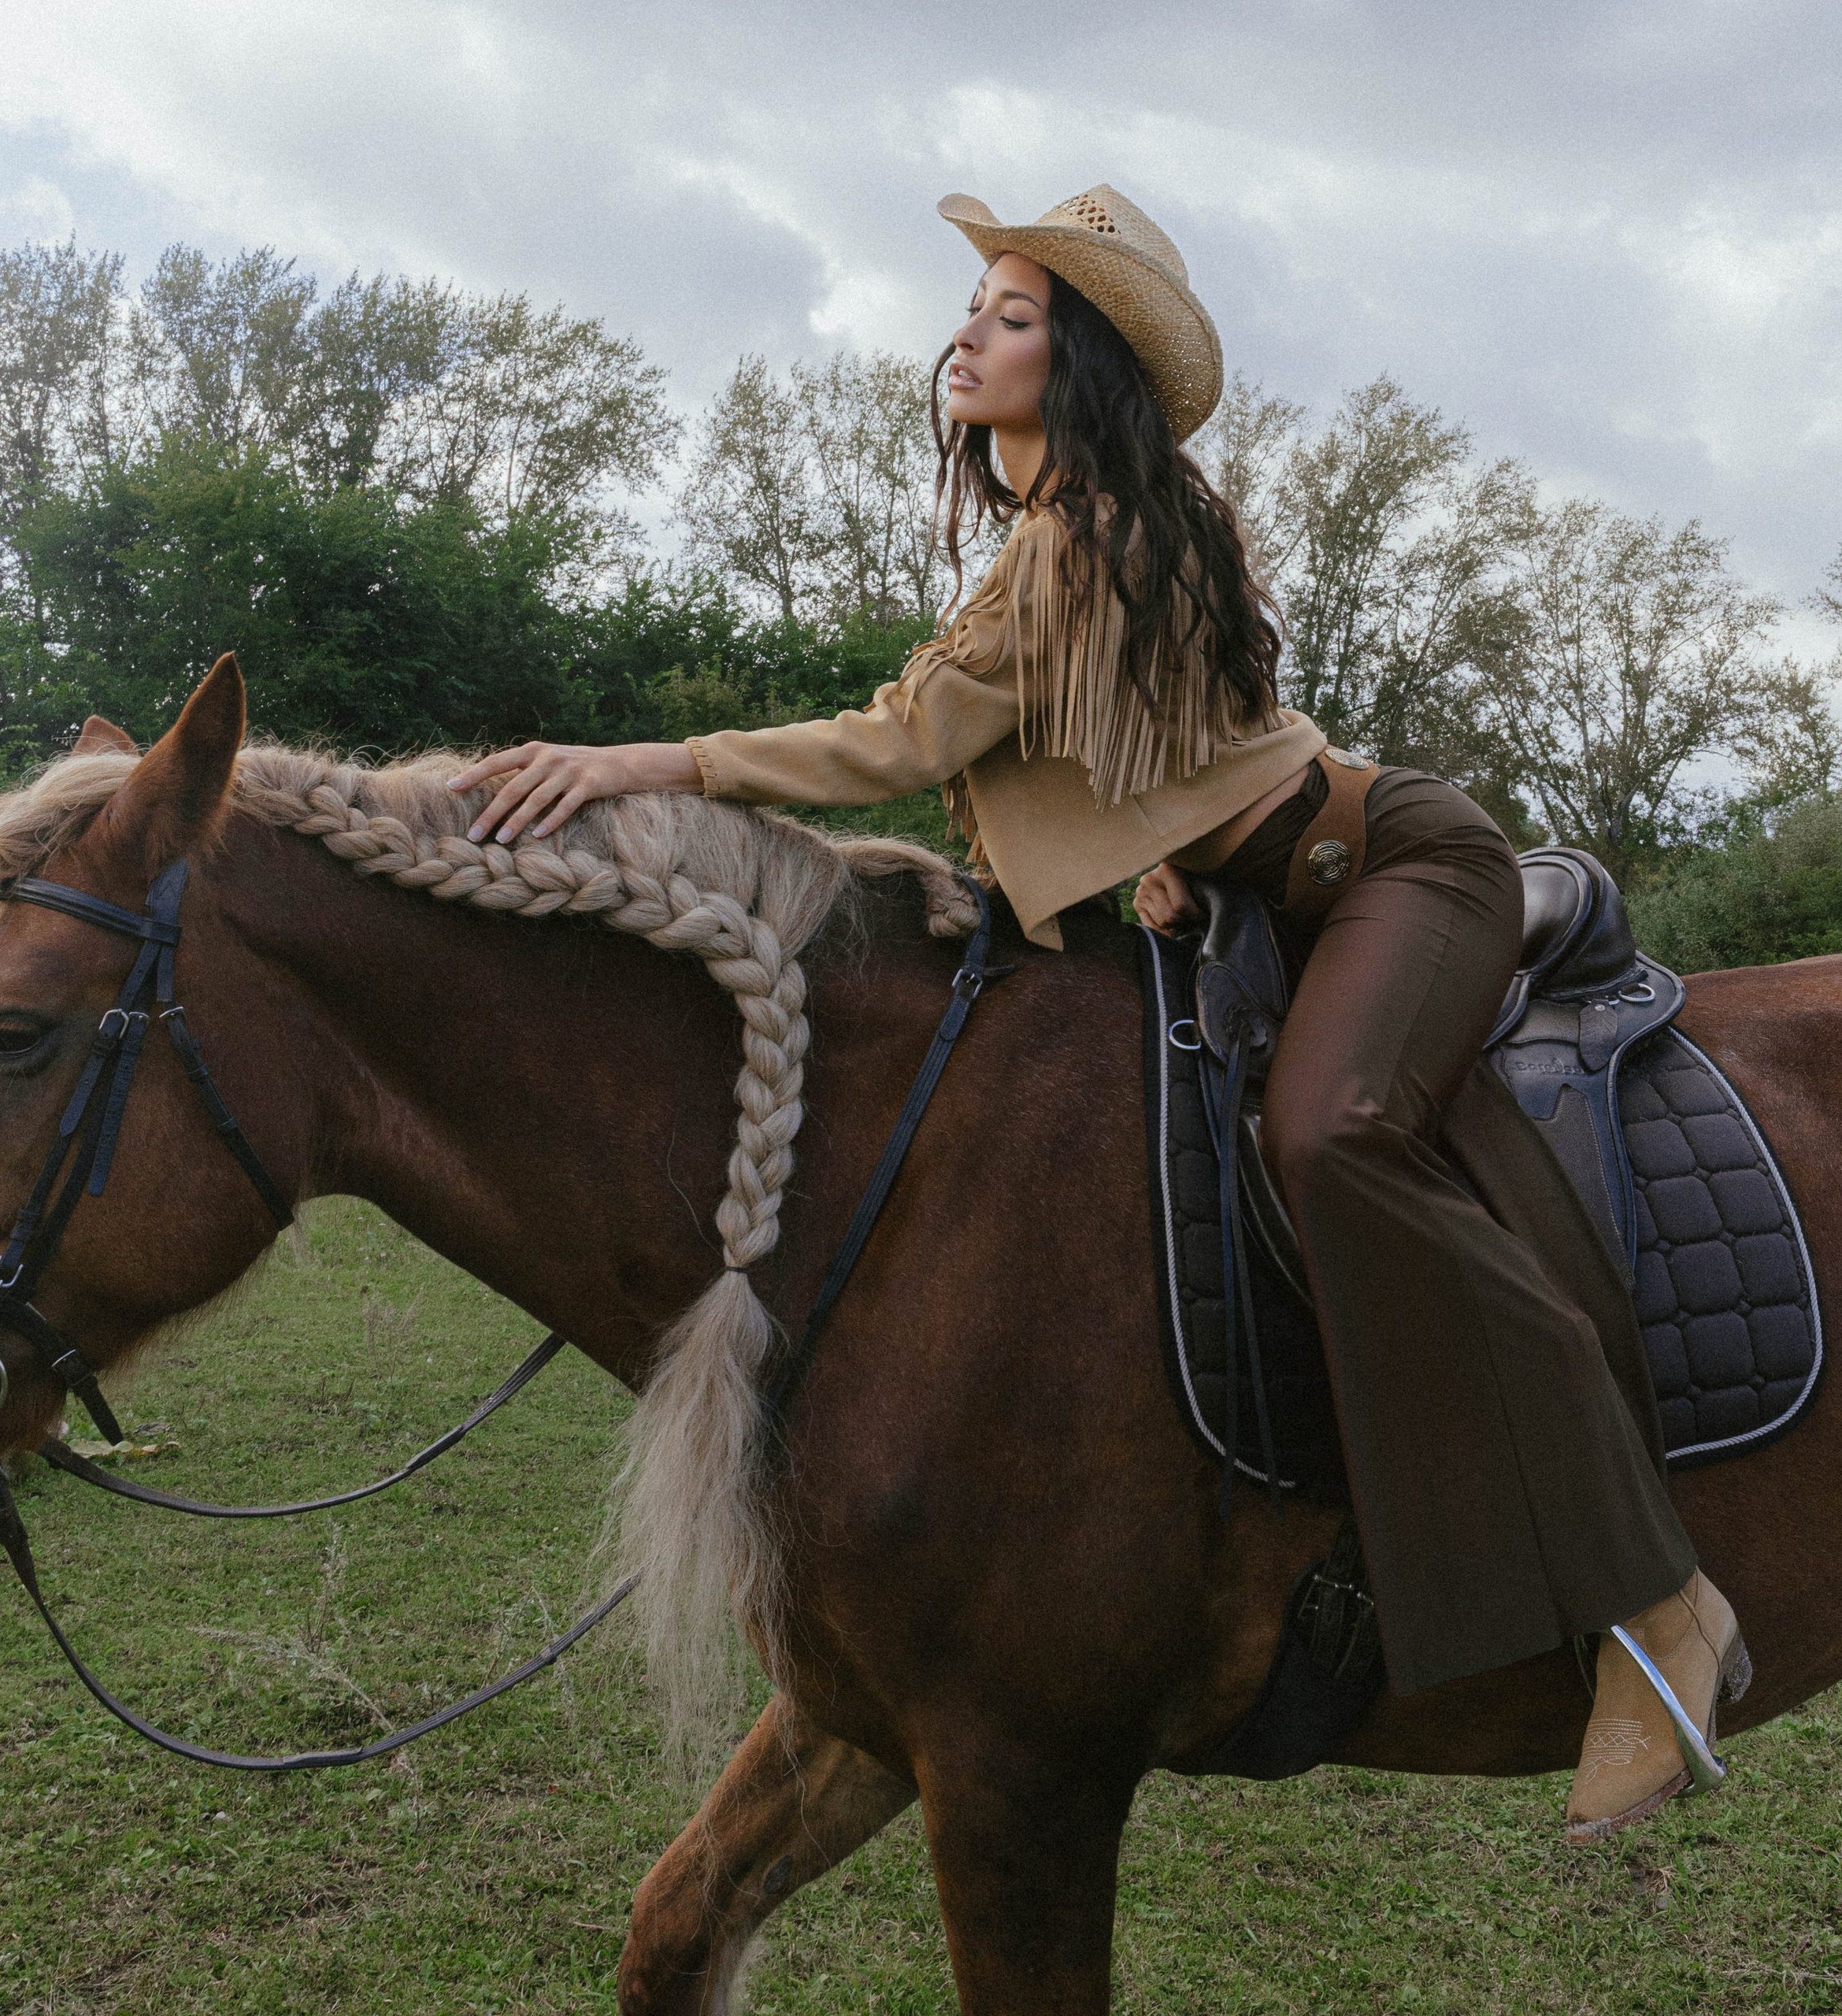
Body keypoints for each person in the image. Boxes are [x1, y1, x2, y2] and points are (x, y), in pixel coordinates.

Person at [447, 185, 1744, 1840]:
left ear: (1086, 363)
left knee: (1337, 1136)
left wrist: (643, 761)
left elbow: (902, 742)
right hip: (1272, 897)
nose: (965, 336)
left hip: (1394, 868)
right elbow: (1071, 776)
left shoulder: (1090, 537)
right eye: (973, 306)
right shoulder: (1057, 541)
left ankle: (1657, 1594)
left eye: (1010, 312)